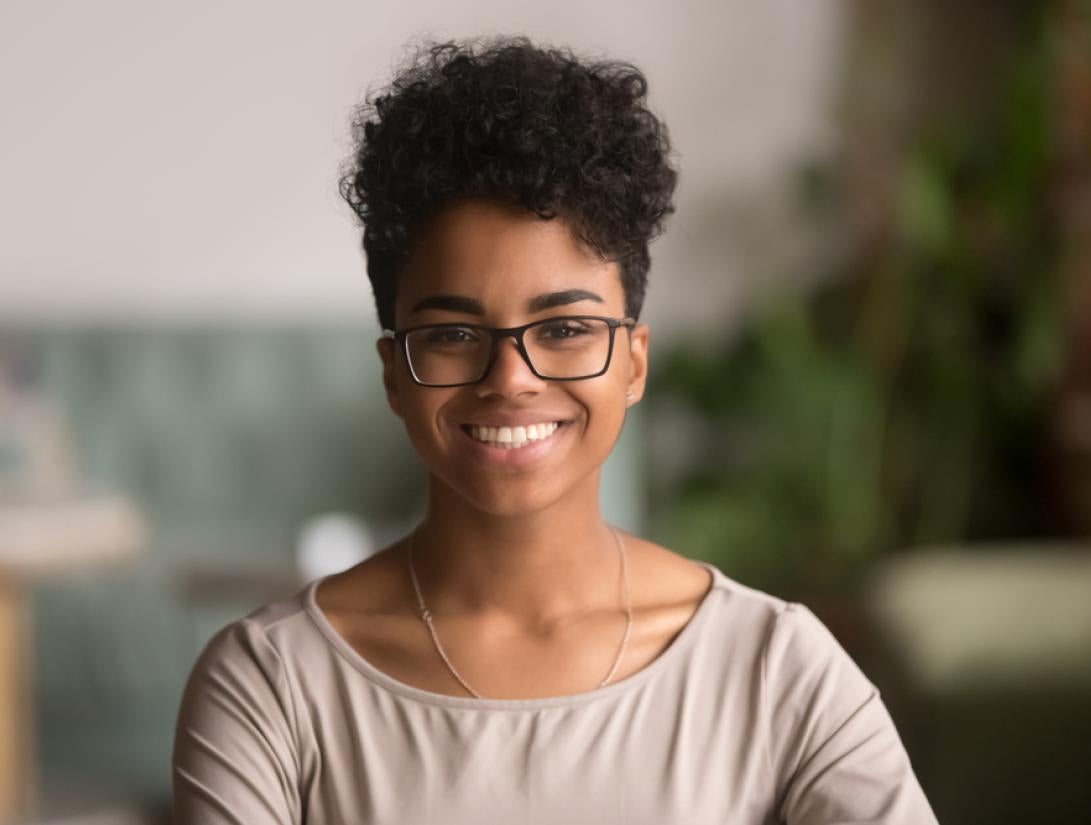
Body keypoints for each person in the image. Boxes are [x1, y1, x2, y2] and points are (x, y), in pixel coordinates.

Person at [171, 35, 939, 824]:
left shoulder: (773, 669)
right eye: (454, 334)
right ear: (393, 372)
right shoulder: (271, 687)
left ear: (634, 362)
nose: (511, 380)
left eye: (565, 328)